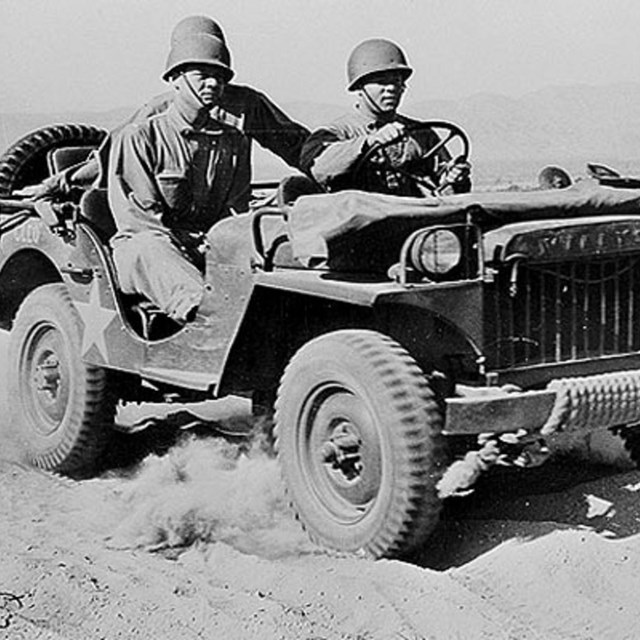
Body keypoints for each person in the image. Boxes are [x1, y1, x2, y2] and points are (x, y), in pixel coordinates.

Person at [107, 27, 307, 324]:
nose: (214, 83)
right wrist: (194, 244)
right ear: (176, 80)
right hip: (152, 248)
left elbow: (236, 211)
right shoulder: (140, 136)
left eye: (221, 77)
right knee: (148, 249)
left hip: (210, 243)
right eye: (202, 75)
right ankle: (204, 318)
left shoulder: (234, 140)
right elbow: (140, 221)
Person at [19, 15, 309, 200]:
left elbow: (297, 146)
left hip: (227, 218)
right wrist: (56, 184)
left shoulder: (248, 104)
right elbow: (110, 161)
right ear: (177, 74)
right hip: (172, 218)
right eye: (198, 70)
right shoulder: (157, 111)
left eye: (215, 70)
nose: (210, 81)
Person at [300, 38, 471, 197]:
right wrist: (370, 142)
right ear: (359, 87)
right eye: (382, 81)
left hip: (414, 220)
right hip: (362, 223)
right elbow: (320, 169)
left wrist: (453, 178)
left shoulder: (422, 135)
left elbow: (445, 186)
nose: (391, 88)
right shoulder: (335, 133)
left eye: (397, 81)